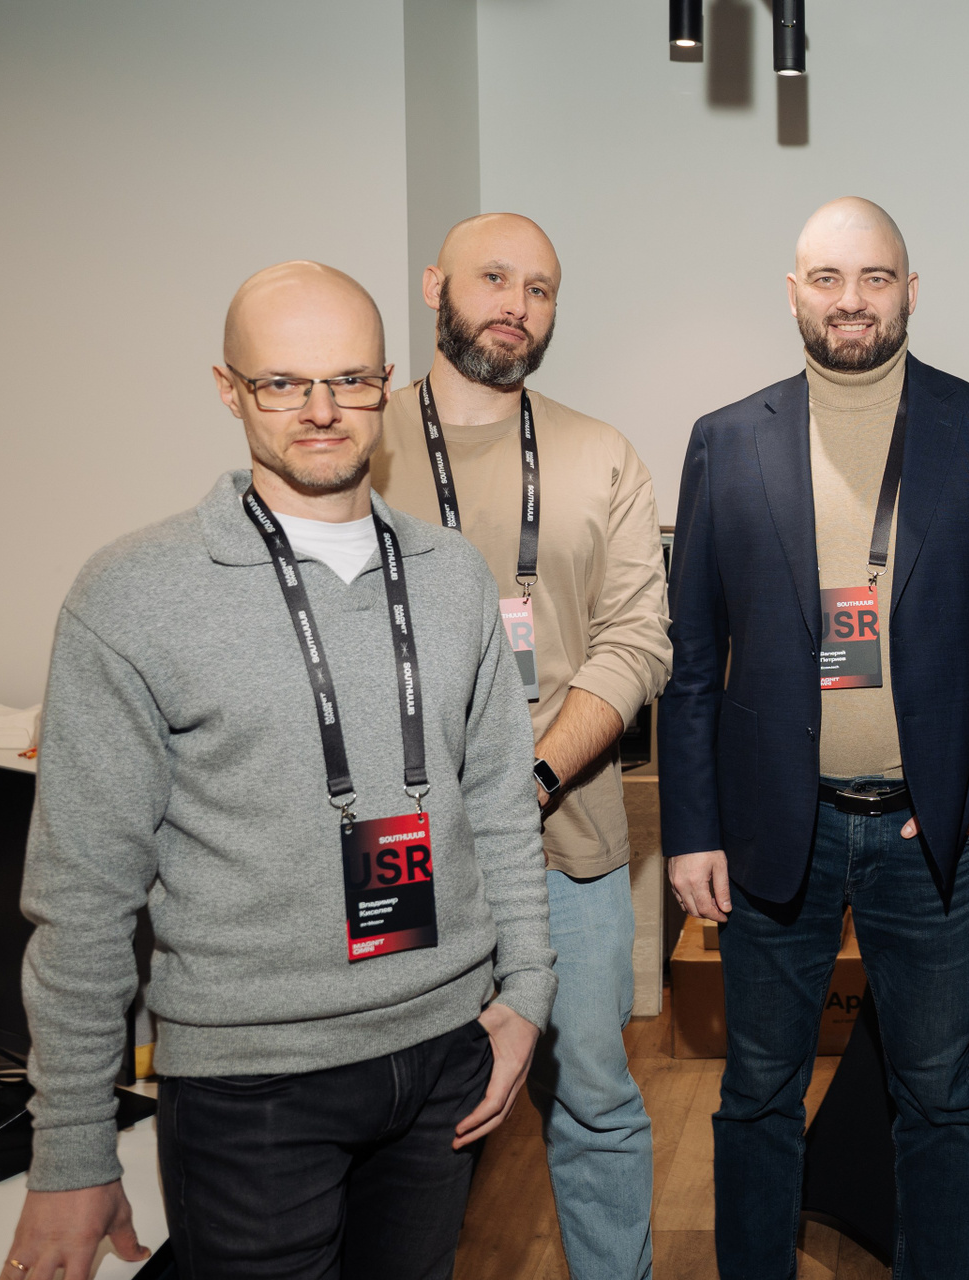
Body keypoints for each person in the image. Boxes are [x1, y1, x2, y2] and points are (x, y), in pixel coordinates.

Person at [5, 262, 554, 1279]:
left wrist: (526, 994)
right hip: (252, 1087)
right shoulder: (133, 594)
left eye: (348, 379)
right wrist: (72, 1146)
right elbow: (82, 895)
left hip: (445, 1053)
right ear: (229, 389)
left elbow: (499, 811)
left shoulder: (451, 577)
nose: (320, 409)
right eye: (281, 382)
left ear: (386, 384)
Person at [659, 197, 969, 1279]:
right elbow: (691, 660)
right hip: (772, 830)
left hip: (933, 837)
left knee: (940, 1097)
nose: (852, 300)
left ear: (910, 292)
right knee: (757, 1092)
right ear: (794, 292)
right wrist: (692, 830)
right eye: (828, 278)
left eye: (875, 277)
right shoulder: (725, 439)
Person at [372, 213, 672, 1279]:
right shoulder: (359, 445)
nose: (517, 304)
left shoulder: (600, 453)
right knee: (399, 1111)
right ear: (433, 286)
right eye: (493, 278)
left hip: (567, 845)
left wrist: (532, 775)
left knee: (593, 1095)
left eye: (539, 288)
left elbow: (639, 642)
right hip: (397, 846)